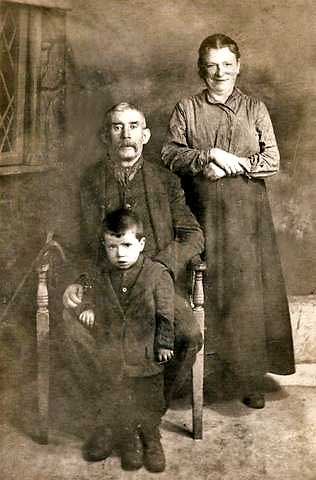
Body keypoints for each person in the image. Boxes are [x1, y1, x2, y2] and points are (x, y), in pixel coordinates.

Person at [60, 102, 204, 456]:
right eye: (116, 127)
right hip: (104, 289)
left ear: (146, 135)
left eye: (133, 126)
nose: (125, 134)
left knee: (187, 334)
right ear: (105, 136)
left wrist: (159, 266)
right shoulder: (91, 181)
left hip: (156, 288)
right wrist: (79, 279)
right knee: (75, 328)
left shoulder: (166, 181)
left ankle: (146, 418)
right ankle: (109, 419)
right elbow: (78, 241)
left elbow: (193, 235)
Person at [161, 33, 295, 409]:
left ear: (238, 66)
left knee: (246, 294)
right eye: (211, 65)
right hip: (200, 212)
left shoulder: (255, 108)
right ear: (200, 68)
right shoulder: (186, 108)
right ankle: (195, 374)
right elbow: (169, 153)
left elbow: (272, 160)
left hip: (246, 218)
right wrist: (208, 156)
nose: (219, 72)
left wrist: (234, 167)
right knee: (201, 288)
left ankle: (247, 376)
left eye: (227, 64)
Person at [66, 208, 174, 472]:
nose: (120, 254)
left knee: (149, 400)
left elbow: (165, 313)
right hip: (113, 353)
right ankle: (127, 441)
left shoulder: (157, 275)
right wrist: (87, 308)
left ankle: (151, 438)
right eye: (112, 247)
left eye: (126, 245)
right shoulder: (102, 273)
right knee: (116, 394)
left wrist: (164, 344)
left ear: (141, 244)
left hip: (146, 353)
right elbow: (89, 292)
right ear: (105, 246)